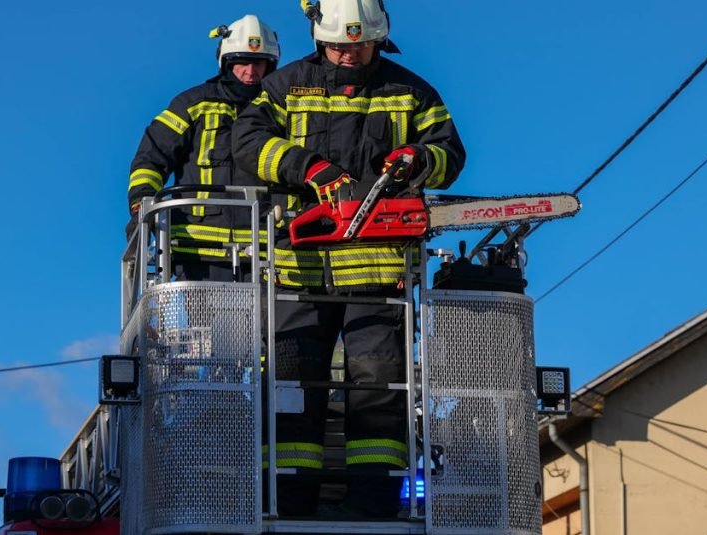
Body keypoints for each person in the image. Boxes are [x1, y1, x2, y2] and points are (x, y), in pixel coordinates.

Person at [232, 0, 466, 518]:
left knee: (379, 393)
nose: (349, 54)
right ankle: (289, 505)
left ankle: (374, 506)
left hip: (380, 273)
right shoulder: (287, 85)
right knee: (293, 390)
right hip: (300, 270)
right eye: (339, 45)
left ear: (378, 39)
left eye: (359, 45)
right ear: (320, 40)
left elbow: (450, 153)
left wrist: (420, 160)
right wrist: (308, 166)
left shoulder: (411, 90)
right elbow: (246, 141)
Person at [127, 14, 281, 283]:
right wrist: (143, 203)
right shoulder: (193, 104)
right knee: (208, 327)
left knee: (273, 327)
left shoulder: (280, 109)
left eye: (259, 63)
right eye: (242, 62)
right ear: (226, 62)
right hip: (198, 252)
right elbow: (151, 156)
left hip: (267, 250)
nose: (250, 72)